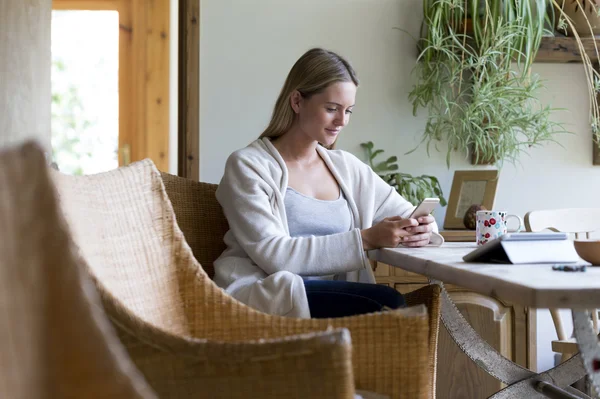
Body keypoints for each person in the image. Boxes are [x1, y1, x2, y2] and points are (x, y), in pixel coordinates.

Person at [213, 48, 443, 319]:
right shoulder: (249, 166)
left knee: (410, 307)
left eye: (348, 111)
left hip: (330, 295)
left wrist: (422, 228)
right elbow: (276, 256)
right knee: (389, 305)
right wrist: (367, 238)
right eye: (332, 109)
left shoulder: (347, 168)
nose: (341, 121)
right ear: (297, 101)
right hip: (268, 294)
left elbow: (407, 213)